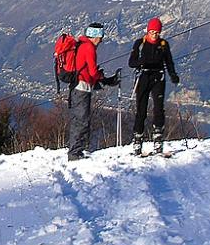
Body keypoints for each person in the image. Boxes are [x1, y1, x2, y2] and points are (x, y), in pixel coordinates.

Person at [67, 22, 121, 161]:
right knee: (82, 120)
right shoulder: (89, 48)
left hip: (76, 86)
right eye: (101, 36)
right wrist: (103, 78)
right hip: (82, 87)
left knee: (77, 120)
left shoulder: (82, 45)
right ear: (95, 36)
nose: (102, 40)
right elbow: (92, 71)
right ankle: (75, 153)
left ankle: (75, 150)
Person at [128, 17, 180, 155]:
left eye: (156, 32)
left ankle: (158, 138)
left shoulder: (163, 44)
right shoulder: (140, 43)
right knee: (141, 109)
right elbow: (131, 62)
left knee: (158, 108)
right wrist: (141, 61)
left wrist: (173, 74)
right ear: (147, 30)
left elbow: (169, 62)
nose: (154, 34)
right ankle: (137, 139)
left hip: (158, 76)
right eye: (151, 31)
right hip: (144, 77)